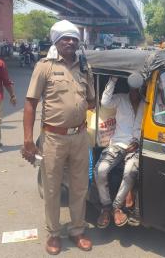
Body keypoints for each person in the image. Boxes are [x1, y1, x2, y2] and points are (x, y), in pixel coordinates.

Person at [22, 20, 95, 255]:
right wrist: (28, 140)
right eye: (65, 38)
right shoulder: (45, 67)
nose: (70, 42)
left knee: (79, 186)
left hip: (80, 137)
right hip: (53, 138)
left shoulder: (85, 68)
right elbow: (30, 104)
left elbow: (92, 100)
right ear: (57, 41)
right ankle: (54, 234)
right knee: (52, 188)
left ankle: (77, 230)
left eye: (74, 38)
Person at [95, 76, 145, 228]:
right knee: (100, 170)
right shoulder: (120, 99)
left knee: (130, 171)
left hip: (135, 146)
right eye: (133, 89)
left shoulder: (146, 103)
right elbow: (104, 102)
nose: (135, 92)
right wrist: (112, 80)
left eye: (138, 89)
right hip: (117, 144)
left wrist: (137, 142)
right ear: (129, 88)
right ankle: (106, 206)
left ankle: (116, 207)